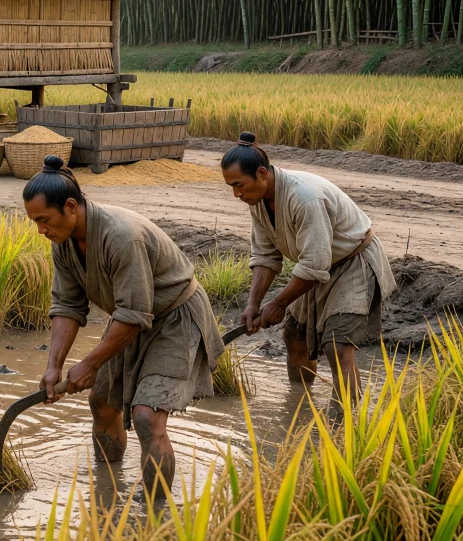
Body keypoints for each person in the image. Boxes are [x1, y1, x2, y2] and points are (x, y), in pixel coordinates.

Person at [25, 155, 222, 498]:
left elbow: (135, 314)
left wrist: (89, 363)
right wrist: (54, 366)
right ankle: (106, 489)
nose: (40, 230)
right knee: (101, 400)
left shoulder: (121, 237)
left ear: (71, 207)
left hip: (174, 318)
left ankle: (154, 517)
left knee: (147, 417)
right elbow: (68, 307)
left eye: (43, 220)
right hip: (130, 318)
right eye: (35, 222)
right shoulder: (64, 243)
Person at [222, 132, 395, 407]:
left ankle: (346, 428)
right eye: (231, 186)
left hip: (352, 262)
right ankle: (299, 407)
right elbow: (266, 257)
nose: (236, 194)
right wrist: (253, 304)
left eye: (239, 185)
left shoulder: (304, 198)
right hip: (316, 265)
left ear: (262, 173)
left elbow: (315, 265)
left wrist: (277, 304)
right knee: (294, 337)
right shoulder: (258, 202)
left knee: (337, 346)